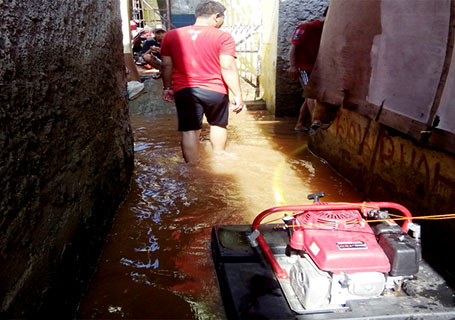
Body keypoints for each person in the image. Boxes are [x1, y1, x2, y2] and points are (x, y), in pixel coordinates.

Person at [160, 1, 244, 163]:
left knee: (190, 130)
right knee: (218, 125)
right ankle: (219, 158)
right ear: (216, 16)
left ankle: (191, 168)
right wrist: (238, 94)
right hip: (216, 90)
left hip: (185, 90)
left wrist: (167, 87)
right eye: (222, 18)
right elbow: (227, 67)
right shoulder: (223, 37)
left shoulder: (171, 35)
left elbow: (166, 65)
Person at [288, 8, 327, 132]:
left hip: (317, 66)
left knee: (308, 96)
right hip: (304, 66)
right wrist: (293, 66)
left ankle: (300, 124)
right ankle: (315, 122)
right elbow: (293, 47)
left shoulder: (326, 30)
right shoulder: (306, 27)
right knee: (311, 93)